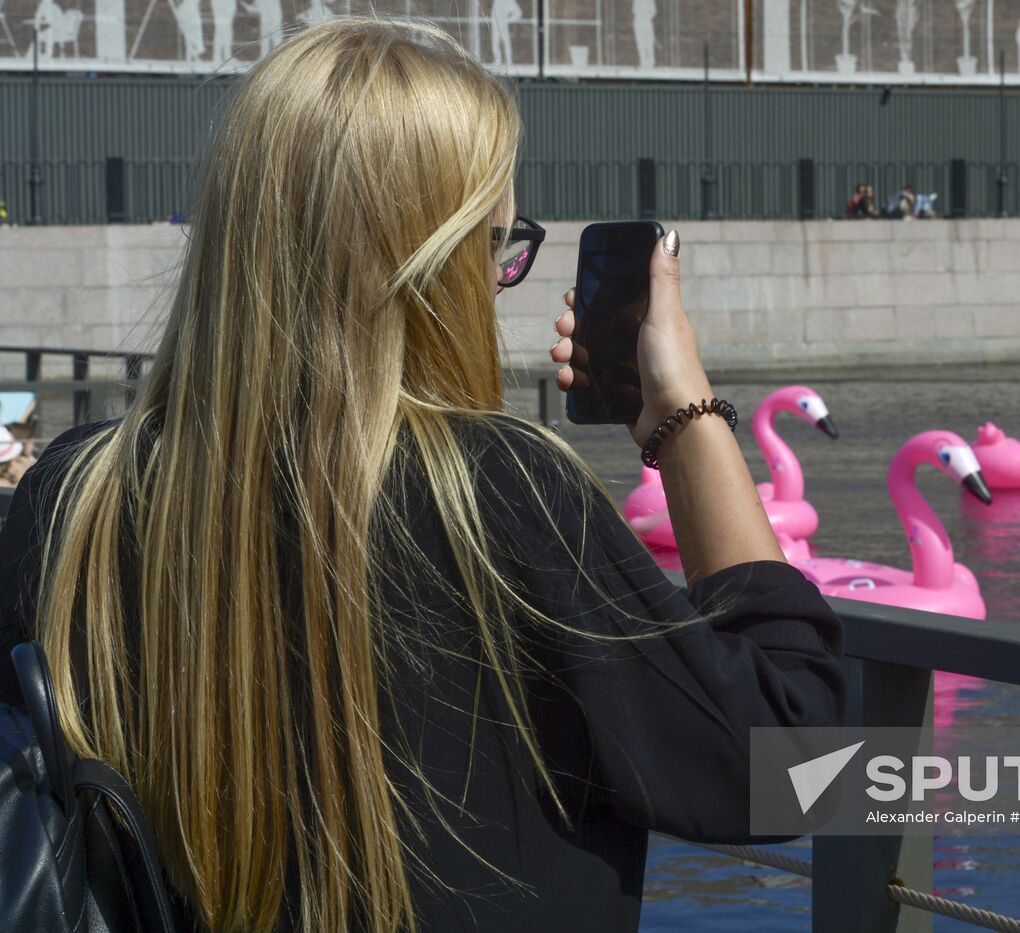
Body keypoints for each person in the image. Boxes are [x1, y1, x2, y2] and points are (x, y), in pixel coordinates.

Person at [0, 20, 845, 933]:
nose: (497, 281)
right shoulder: (496, 494)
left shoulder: (69, 497)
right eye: (498, 246)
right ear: (433, 267)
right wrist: (686, 421)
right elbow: (803, 768)